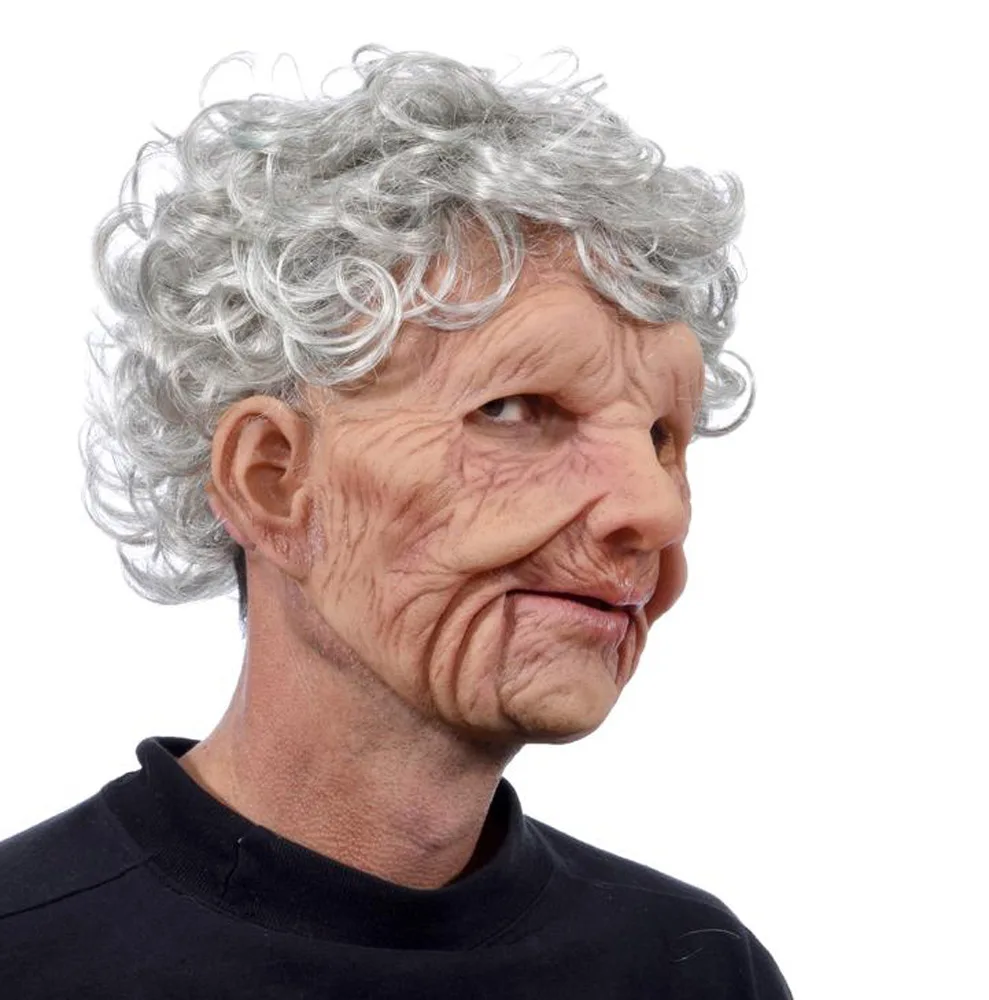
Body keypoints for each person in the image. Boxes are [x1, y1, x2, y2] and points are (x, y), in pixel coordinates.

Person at [0, 44, 791, 998]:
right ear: (273, 480)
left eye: (662, 435)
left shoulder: (692, 969)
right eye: (516, 409)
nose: (653, 511)